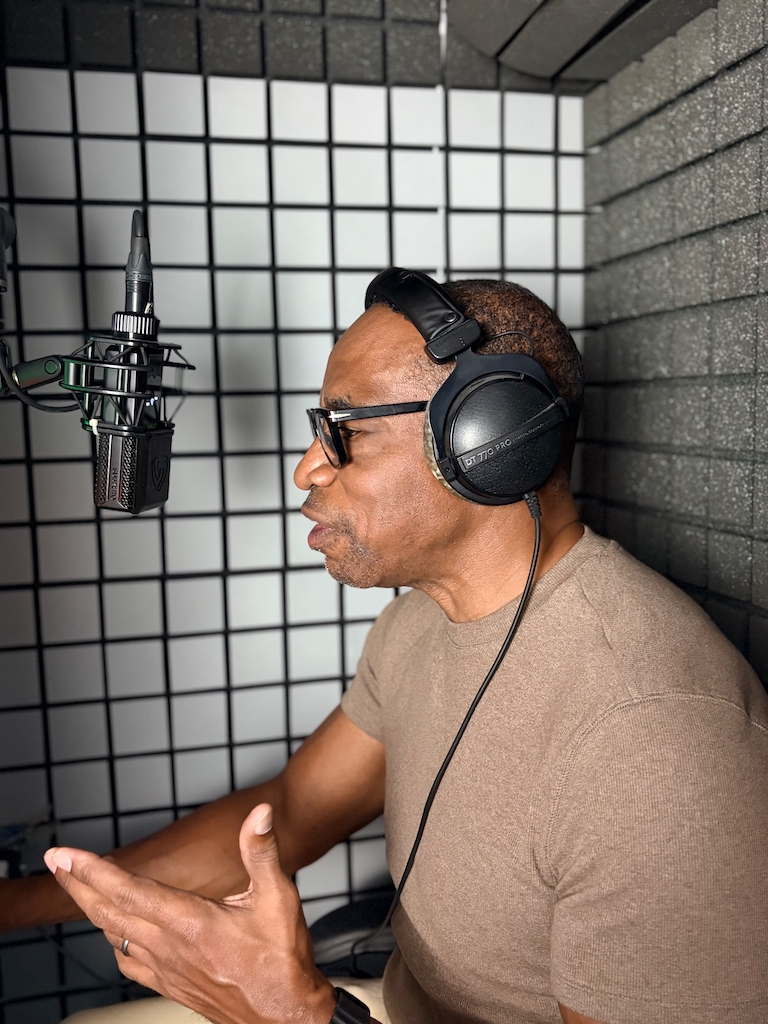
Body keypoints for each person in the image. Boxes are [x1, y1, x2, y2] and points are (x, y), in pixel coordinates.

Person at [3, 275, 768, 1024]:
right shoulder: (418, 621)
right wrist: (13, 905)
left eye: (345, 429)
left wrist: (296, 1016)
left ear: (488, 439)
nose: (306, 468)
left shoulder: (656, 741)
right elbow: (297, 809)